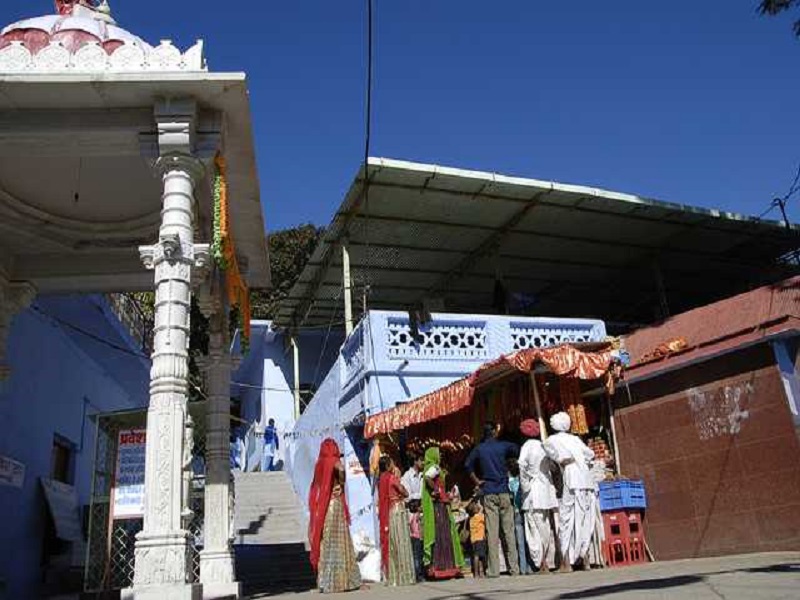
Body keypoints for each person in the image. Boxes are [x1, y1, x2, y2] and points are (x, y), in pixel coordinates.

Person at [465, 422, 520, 577]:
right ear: (495, 432)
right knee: (508, 531)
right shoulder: (503, 446)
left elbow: (468, 464)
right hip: (503, 490)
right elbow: (516, 449)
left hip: (488, 492)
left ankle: (494, 570)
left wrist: (476, 481)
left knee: (492, 532)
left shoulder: (480, 449)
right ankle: (514, 568)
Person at [544, 412, 597, 572]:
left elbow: (546, 447)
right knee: (584, 519)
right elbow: (590, 454)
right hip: (586, 479)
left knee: (566, 520)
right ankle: (585, 559)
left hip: (571, 478)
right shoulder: (575, 439)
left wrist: (561, 459)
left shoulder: (552, 440)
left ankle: (566, 563)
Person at [308, 438, 362, 593]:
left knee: (326, 541)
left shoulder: (320, 463)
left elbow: (316, 487)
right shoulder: (333, 461)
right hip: (335, 505)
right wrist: (342, 483)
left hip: (323, 506)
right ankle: (342, 580)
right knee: (339, 540)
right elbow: (342, 469)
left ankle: (325, 581)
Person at [518, 418, 558, 573]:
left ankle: (541, 562)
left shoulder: (526, 447)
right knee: (546, 527)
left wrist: (525, 487)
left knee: (534, 530)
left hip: (533, 494)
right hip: (546, 492)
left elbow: (522, 467)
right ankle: (547, 560)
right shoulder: (544, 446)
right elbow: (553, 467)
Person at [421, 446, 465, 579]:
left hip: (438, 505)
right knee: (444, 535)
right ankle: (443, 569)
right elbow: (428, 478)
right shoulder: (434, 467)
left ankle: (439, 569)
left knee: (441, 536)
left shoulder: (431, 467)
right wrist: (437, 490)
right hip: (440, 506)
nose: (440, 456)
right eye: (438, 454)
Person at [378, 456, 417, 586]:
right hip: (398, 510)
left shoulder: (382, 479)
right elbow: (404, 492)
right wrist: (399, 479)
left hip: (390, 512)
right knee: (402, 542)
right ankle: (405, 576)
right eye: (392, 462)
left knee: (393, 542)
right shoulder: (391, 478)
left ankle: (394, 577)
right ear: (388, 465)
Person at [508, 459, 534, 575]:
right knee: (530, 539)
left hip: (516, 512)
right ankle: (531, 566)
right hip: (526, 510)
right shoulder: (523, 481)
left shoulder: (509, 483)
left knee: (520, 542)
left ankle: (522, 568)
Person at [467, 500, 487, 578]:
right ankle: (479, 572)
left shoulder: (471, 519)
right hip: (480, 539)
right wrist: (481, 506)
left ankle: (478, 572)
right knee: (479, 556)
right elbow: (482, 512)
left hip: (473, 539)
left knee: (477, 555)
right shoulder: (479, 517)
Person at [407, 500, 424, 582]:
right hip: (417, 538)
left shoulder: (411, 516)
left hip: (413, 537)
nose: (421, 507)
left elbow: (409, 524)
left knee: (416, 556)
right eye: (420, 506)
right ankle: (418, 575)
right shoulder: (416, 516)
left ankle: (417, 574)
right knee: (417, 557)